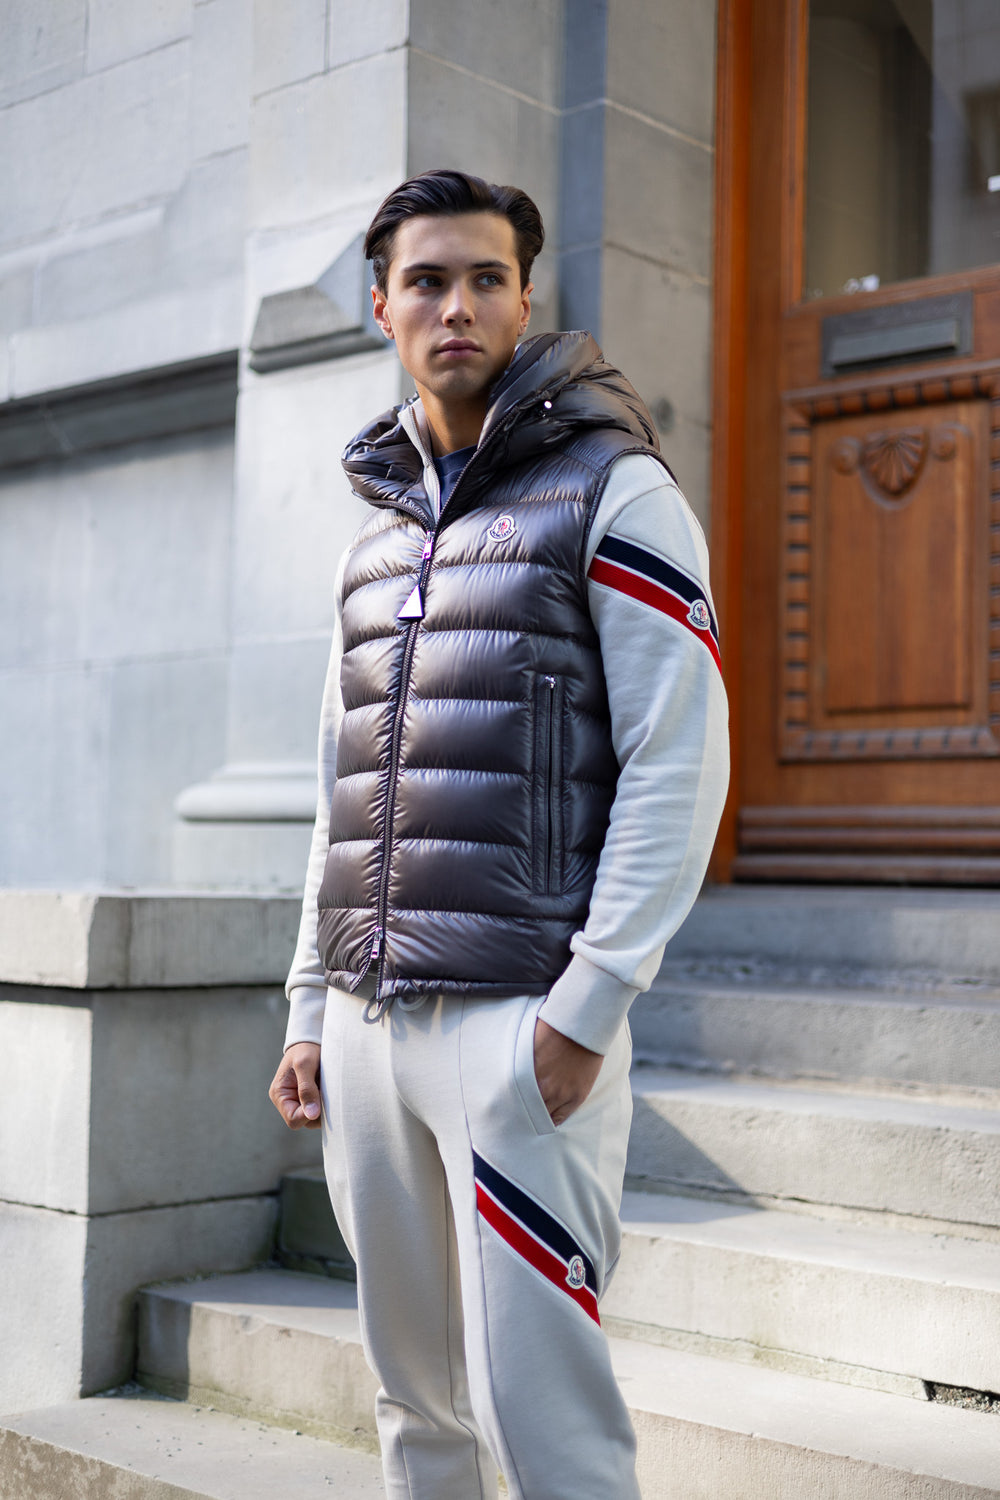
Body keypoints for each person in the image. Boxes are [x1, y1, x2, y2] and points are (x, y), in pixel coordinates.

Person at [268, 169, 729, 1500]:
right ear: (383, 308)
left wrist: (588, 1008)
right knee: (413, 1401)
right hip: (365, 1028)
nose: (456, 305)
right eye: (427, 281)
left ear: (526, 302)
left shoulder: (617, 491)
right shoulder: (372, 541)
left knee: (546, 1422)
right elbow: (341, 785)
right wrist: (308, 1004)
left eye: (486, 278)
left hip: (520, 1024)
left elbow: (679, 760)